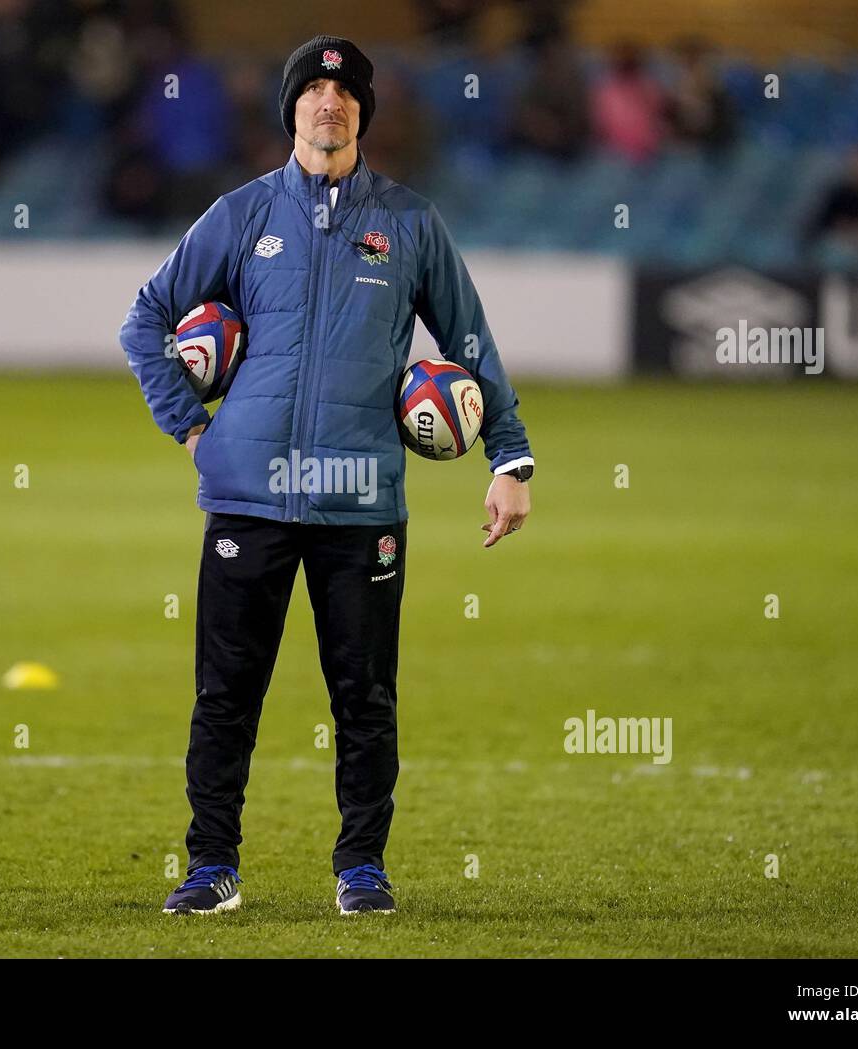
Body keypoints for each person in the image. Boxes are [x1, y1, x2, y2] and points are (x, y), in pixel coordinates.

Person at [118, 34, 533, 916]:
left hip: (360, 503)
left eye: (343, 95)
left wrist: (510, 458)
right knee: (226, 694)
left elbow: (469, 343)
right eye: (312, 91)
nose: (328, 105)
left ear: (361, 114)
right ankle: (210, 864)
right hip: (249, 497)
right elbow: (145, 317)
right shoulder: (240, 215)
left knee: (365, 696)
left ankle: (361, 866)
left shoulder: (412, 223)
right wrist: (193, 429)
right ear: (292, 111)